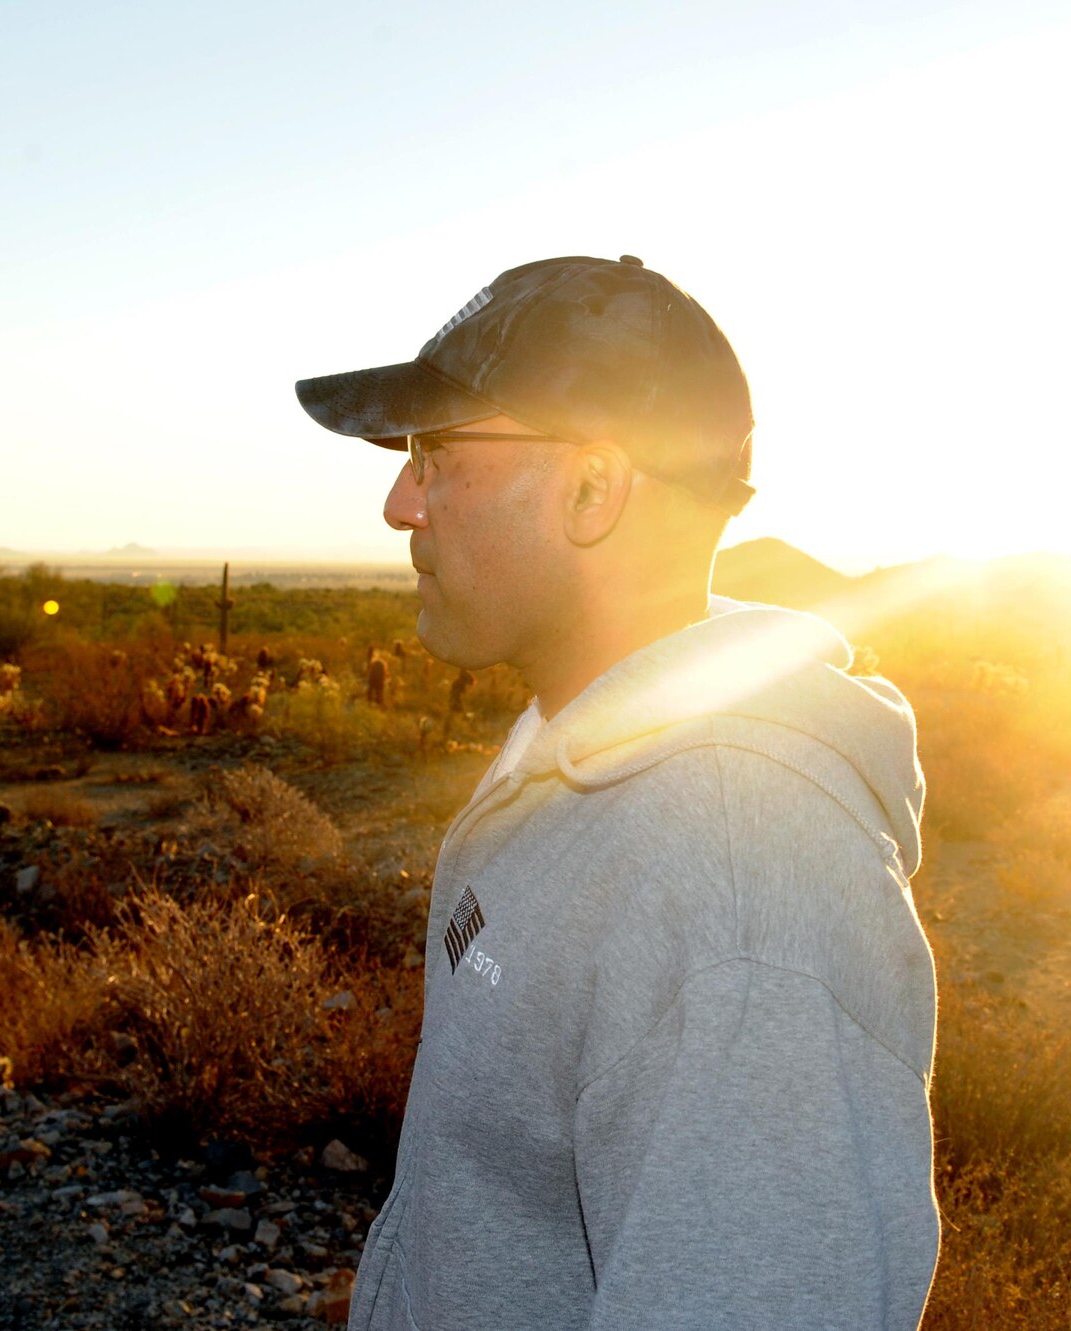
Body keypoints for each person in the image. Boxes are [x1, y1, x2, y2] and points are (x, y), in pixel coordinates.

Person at [295, 254, 938, 1330]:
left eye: (436, 451)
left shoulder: (737, 884)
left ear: (593, 487)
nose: (399, 501)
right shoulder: (578, 752)